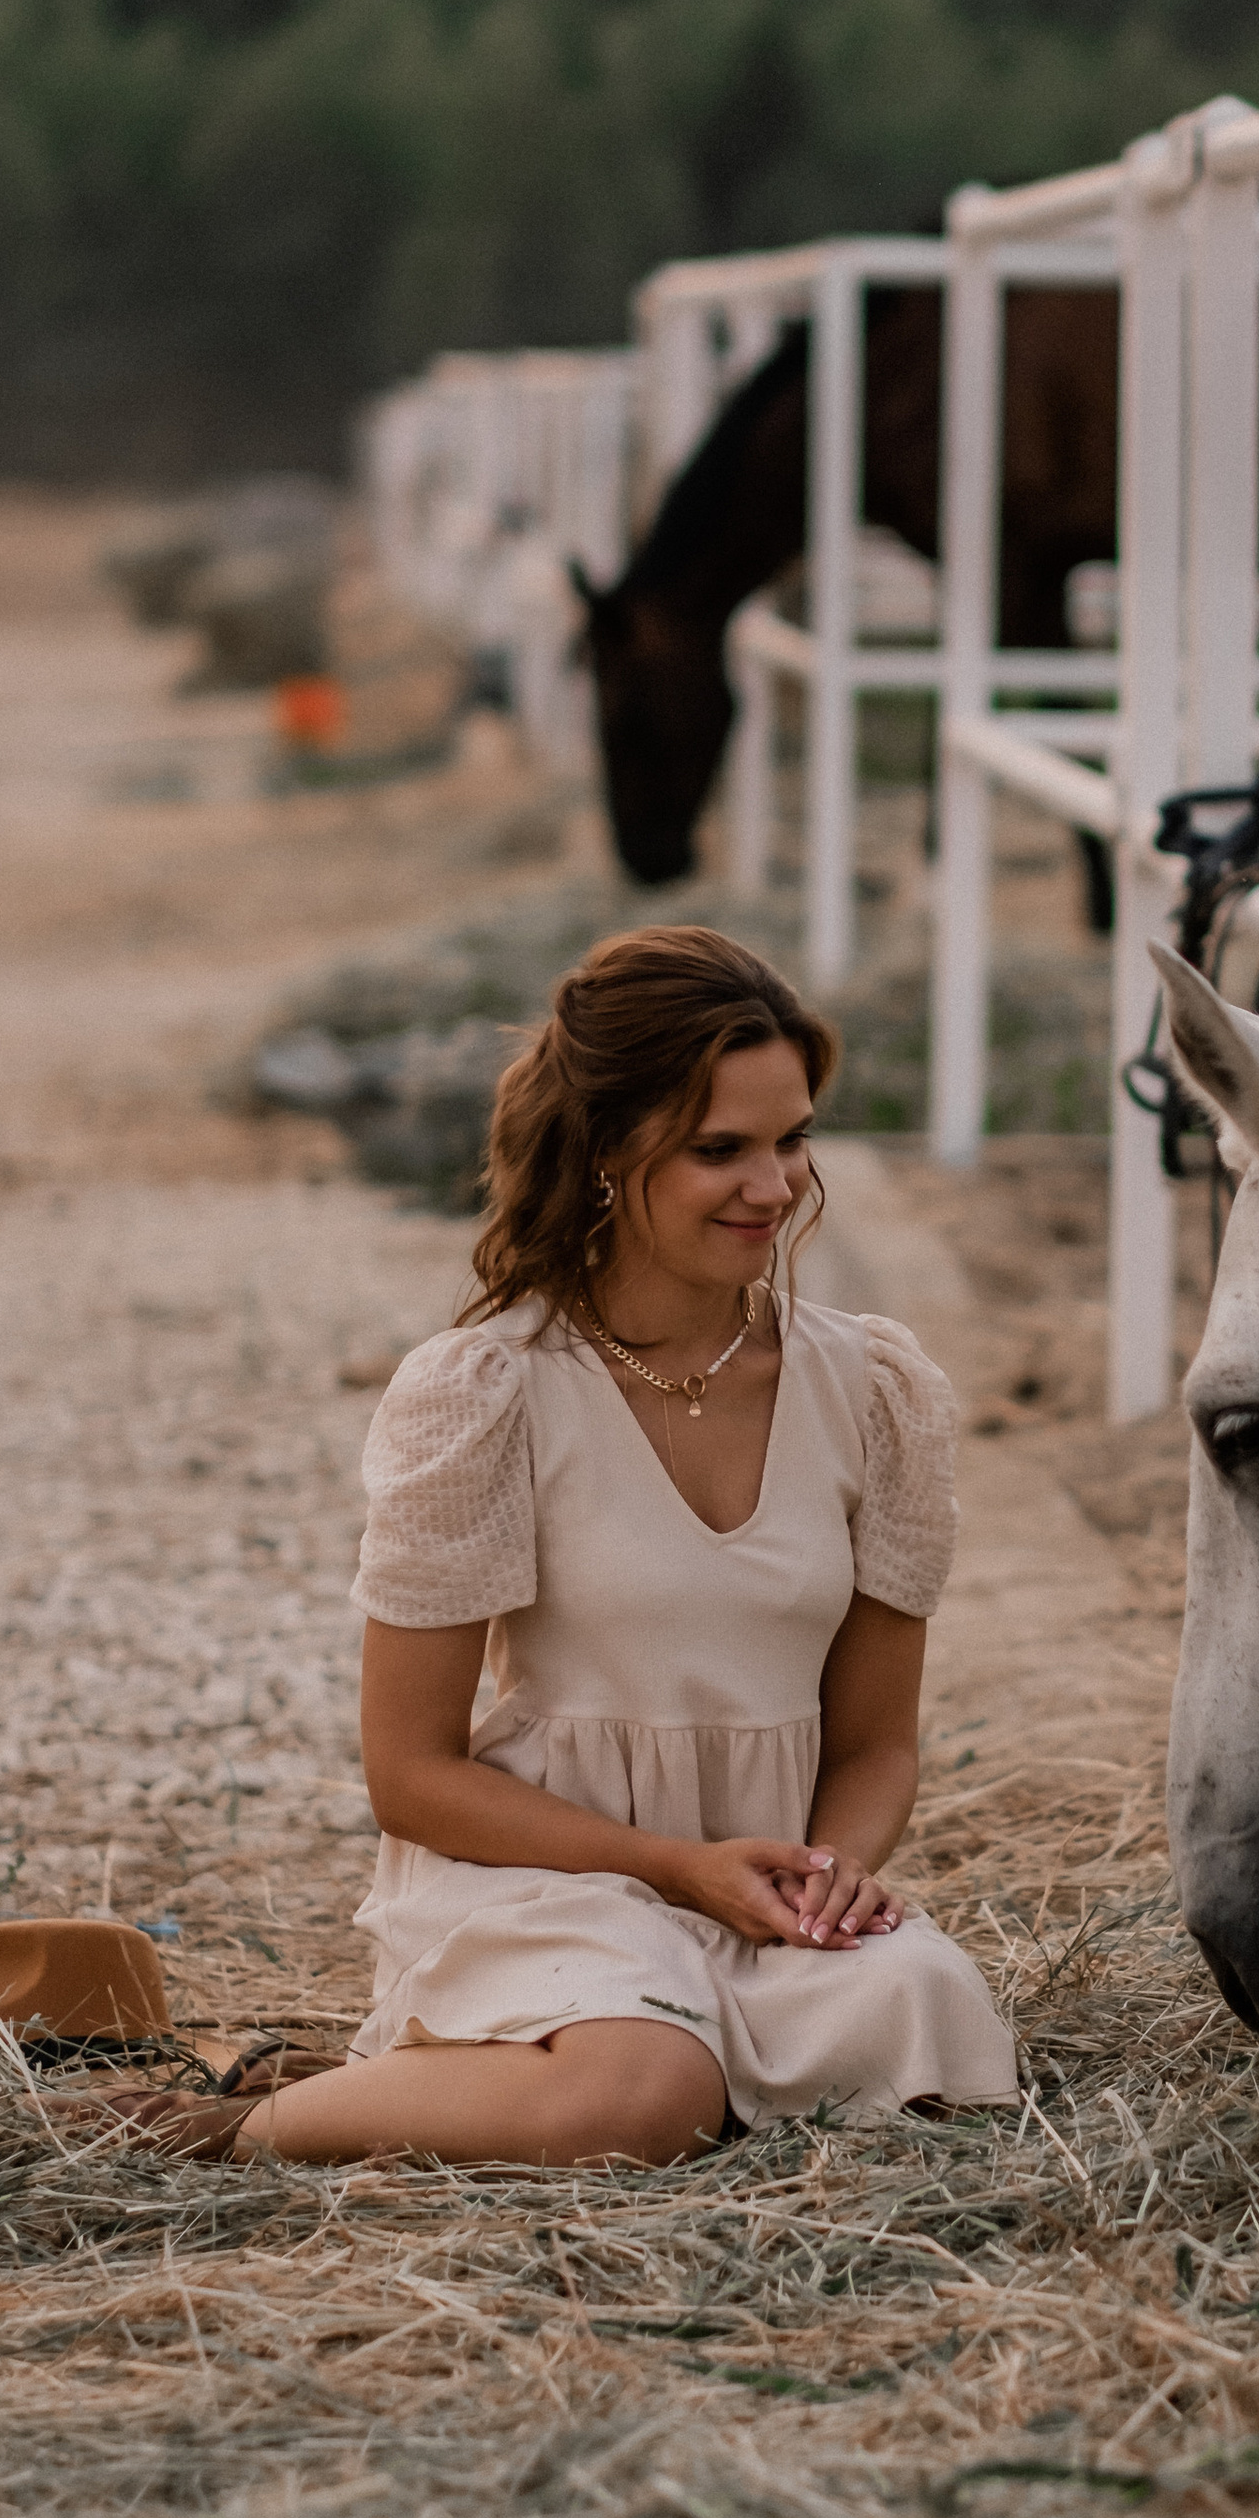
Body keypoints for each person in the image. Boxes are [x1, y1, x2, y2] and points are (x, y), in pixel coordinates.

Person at [113, 924, 1018, 2165]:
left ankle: (468, 2072)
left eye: (793, 1137)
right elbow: (410, 1771)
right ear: (605, 1152)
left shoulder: (876, 1390)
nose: (777, 1185)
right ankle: (220, 2129)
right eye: (720, 1150)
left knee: (940, 2033)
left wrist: (831, 1875)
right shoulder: (487, 1393)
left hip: (760, 1887)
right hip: (543, 1875)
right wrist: (675, 1869)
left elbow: (875, 1742)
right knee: (639, 2097)